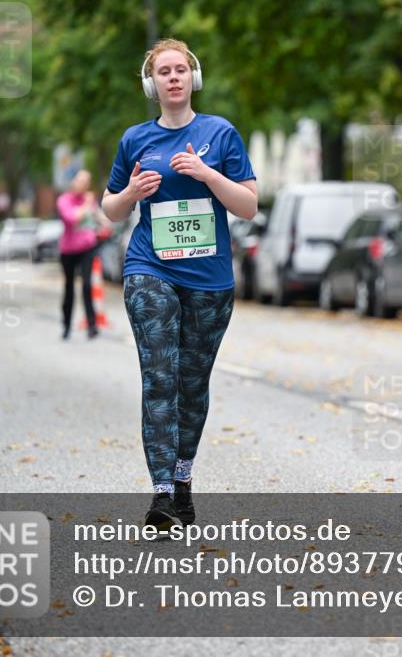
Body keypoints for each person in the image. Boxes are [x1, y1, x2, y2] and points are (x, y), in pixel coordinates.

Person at [101, 38, 257, 530]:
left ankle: (183, 481)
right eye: (163, 71)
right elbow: (109, 209)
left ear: (193, 78)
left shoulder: (221, 133)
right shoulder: (135, 140)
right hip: (151, 268)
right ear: (152, 84)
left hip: (209, 280)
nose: (172, 77)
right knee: (161, 377)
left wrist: (207, 173)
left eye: (180, 70)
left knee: (192, 384)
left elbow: (247, 205)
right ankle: (161, 495)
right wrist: (131, 191)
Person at [56, 169, 109, 340]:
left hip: (87, 247)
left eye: (86, 183)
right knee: (69, 288)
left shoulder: (90, 200)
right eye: (80, 181)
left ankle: (92, 325)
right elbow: (72, 219)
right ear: (74, 182)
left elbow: (100, 220)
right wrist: (87, 205)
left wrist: (102, 220)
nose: (83, 185)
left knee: (87, 285)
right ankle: (66, 326)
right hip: (68, 250)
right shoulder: (64, 200)